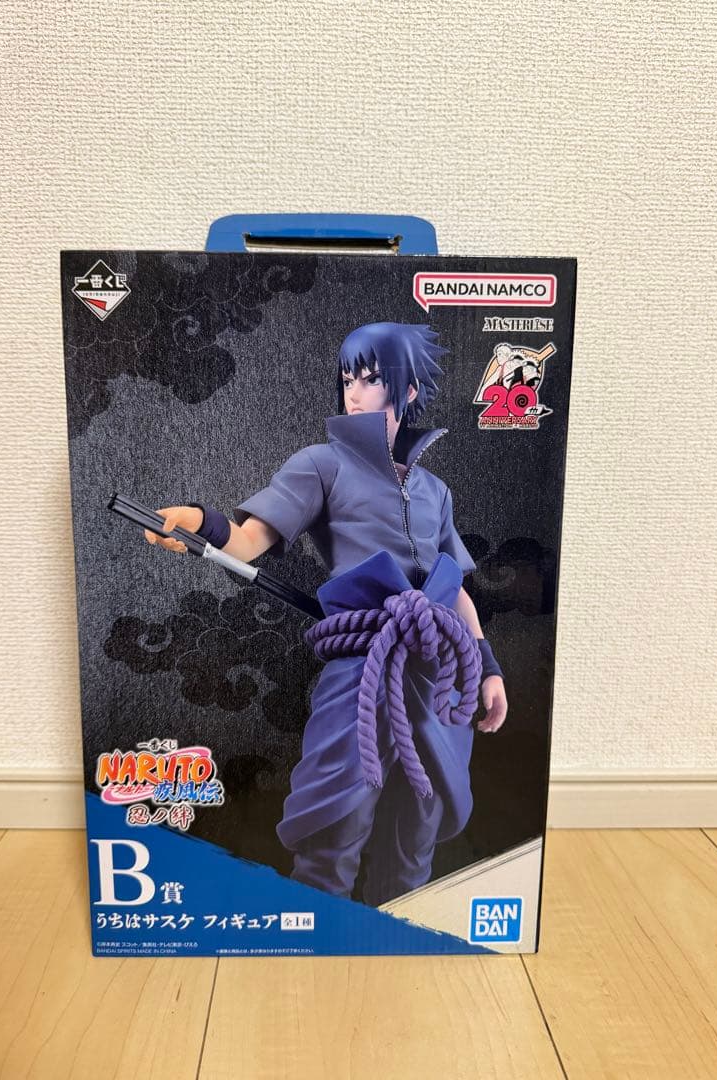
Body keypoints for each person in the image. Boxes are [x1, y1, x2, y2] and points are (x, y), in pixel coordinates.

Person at [144, 323, 507, 905]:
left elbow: (454, 590)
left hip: (439, 674)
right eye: (347, 379)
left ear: (408, 389)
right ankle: (317, 935)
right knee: (334, 825)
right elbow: (249, 540)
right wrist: (201, 522)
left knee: (417, 835)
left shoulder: (435, 490)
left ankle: (397, 937)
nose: (354, 393)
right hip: (362, 667)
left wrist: (487, 667)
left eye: (371, 379)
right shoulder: (322, 464)